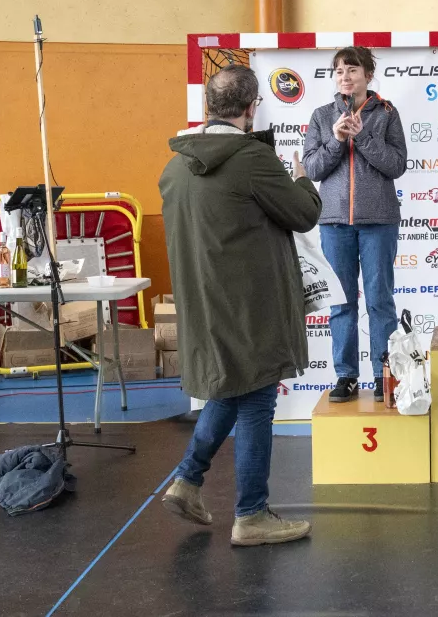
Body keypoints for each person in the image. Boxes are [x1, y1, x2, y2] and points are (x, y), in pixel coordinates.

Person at [159, 65, 322, 544]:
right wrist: (304, 178)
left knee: (228, 390)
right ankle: (251, 515)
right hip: (252, 305)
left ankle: (187, 481)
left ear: (208, 106)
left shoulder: (174, 166)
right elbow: (304, 213)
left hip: (203, 303)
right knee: (256, 400)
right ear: (252, 108)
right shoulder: (252, 158)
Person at [302, 46, 407, 404]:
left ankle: (383, 374)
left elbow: (396, 165)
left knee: (380, 301)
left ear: (368, 75)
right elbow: (313, 169)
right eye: (339, 71)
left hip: (379, 222)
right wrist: (337, 140)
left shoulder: (387, 113)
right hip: (334, 224)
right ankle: (346, 375)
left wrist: (362, 136)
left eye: (352, 70)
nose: (345, 77)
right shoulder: (321, 116)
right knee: (341, 303)